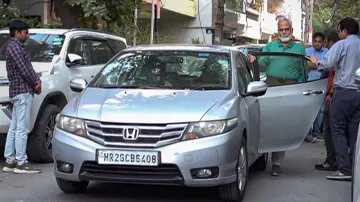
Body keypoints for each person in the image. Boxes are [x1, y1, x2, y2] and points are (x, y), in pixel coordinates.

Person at [249, 17, 306, 176]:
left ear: (292, 30)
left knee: (283, 125)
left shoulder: (299, 49)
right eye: (281, 30)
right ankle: (259, 159)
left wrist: (300, 89)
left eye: (286, 29)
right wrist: (255, 59)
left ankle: (277, 162)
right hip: (271, 87)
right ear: (278, 31)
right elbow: (262, 64)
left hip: (291, 88)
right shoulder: (270, 46)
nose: (284, 32)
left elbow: (303, 72)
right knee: (267, 123)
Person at [307, 17, 360, 181]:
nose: (339, 33)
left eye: (339, 30)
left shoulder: (342, 44)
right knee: (354, 132)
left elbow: (327, 63)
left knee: (337, 130)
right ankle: (354, 168)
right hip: (358, 92)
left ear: (344, 31)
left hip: (343, 91)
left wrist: (316, 62)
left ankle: (344, 169)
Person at [2, 20, 42, 174]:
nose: (28, 35)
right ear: (17, 33)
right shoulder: (15, 49)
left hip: (17, 92)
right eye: (25, 32)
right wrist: (35, 83)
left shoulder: (14, 47)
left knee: (14, 128)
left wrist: (36, 81)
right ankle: (21, 163)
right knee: (22, 129)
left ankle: (10, 161)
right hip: (22, 92)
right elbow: (25, 69)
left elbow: (27, 68)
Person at [314, 31, 340, 171]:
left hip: (333, 97)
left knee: (330, 130)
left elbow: (335, 77)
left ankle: (332, 161)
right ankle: (338, 161)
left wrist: (330, 94)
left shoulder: (336, 57)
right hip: (334, 95)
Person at [304, 32, 328, 143]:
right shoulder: (307, 52)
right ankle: (307, 133)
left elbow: (329, 66)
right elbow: (305, 65)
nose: (317, 43)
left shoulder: (328, 53)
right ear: (313, 42)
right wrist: (320, 65)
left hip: (322, 83)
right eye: (315, 41)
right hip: (309, 83)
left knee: (321, 110)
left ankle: (317, 133)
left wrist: (315, 65)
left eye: (319, 41)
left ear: (323, 43)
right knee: (308, 108)